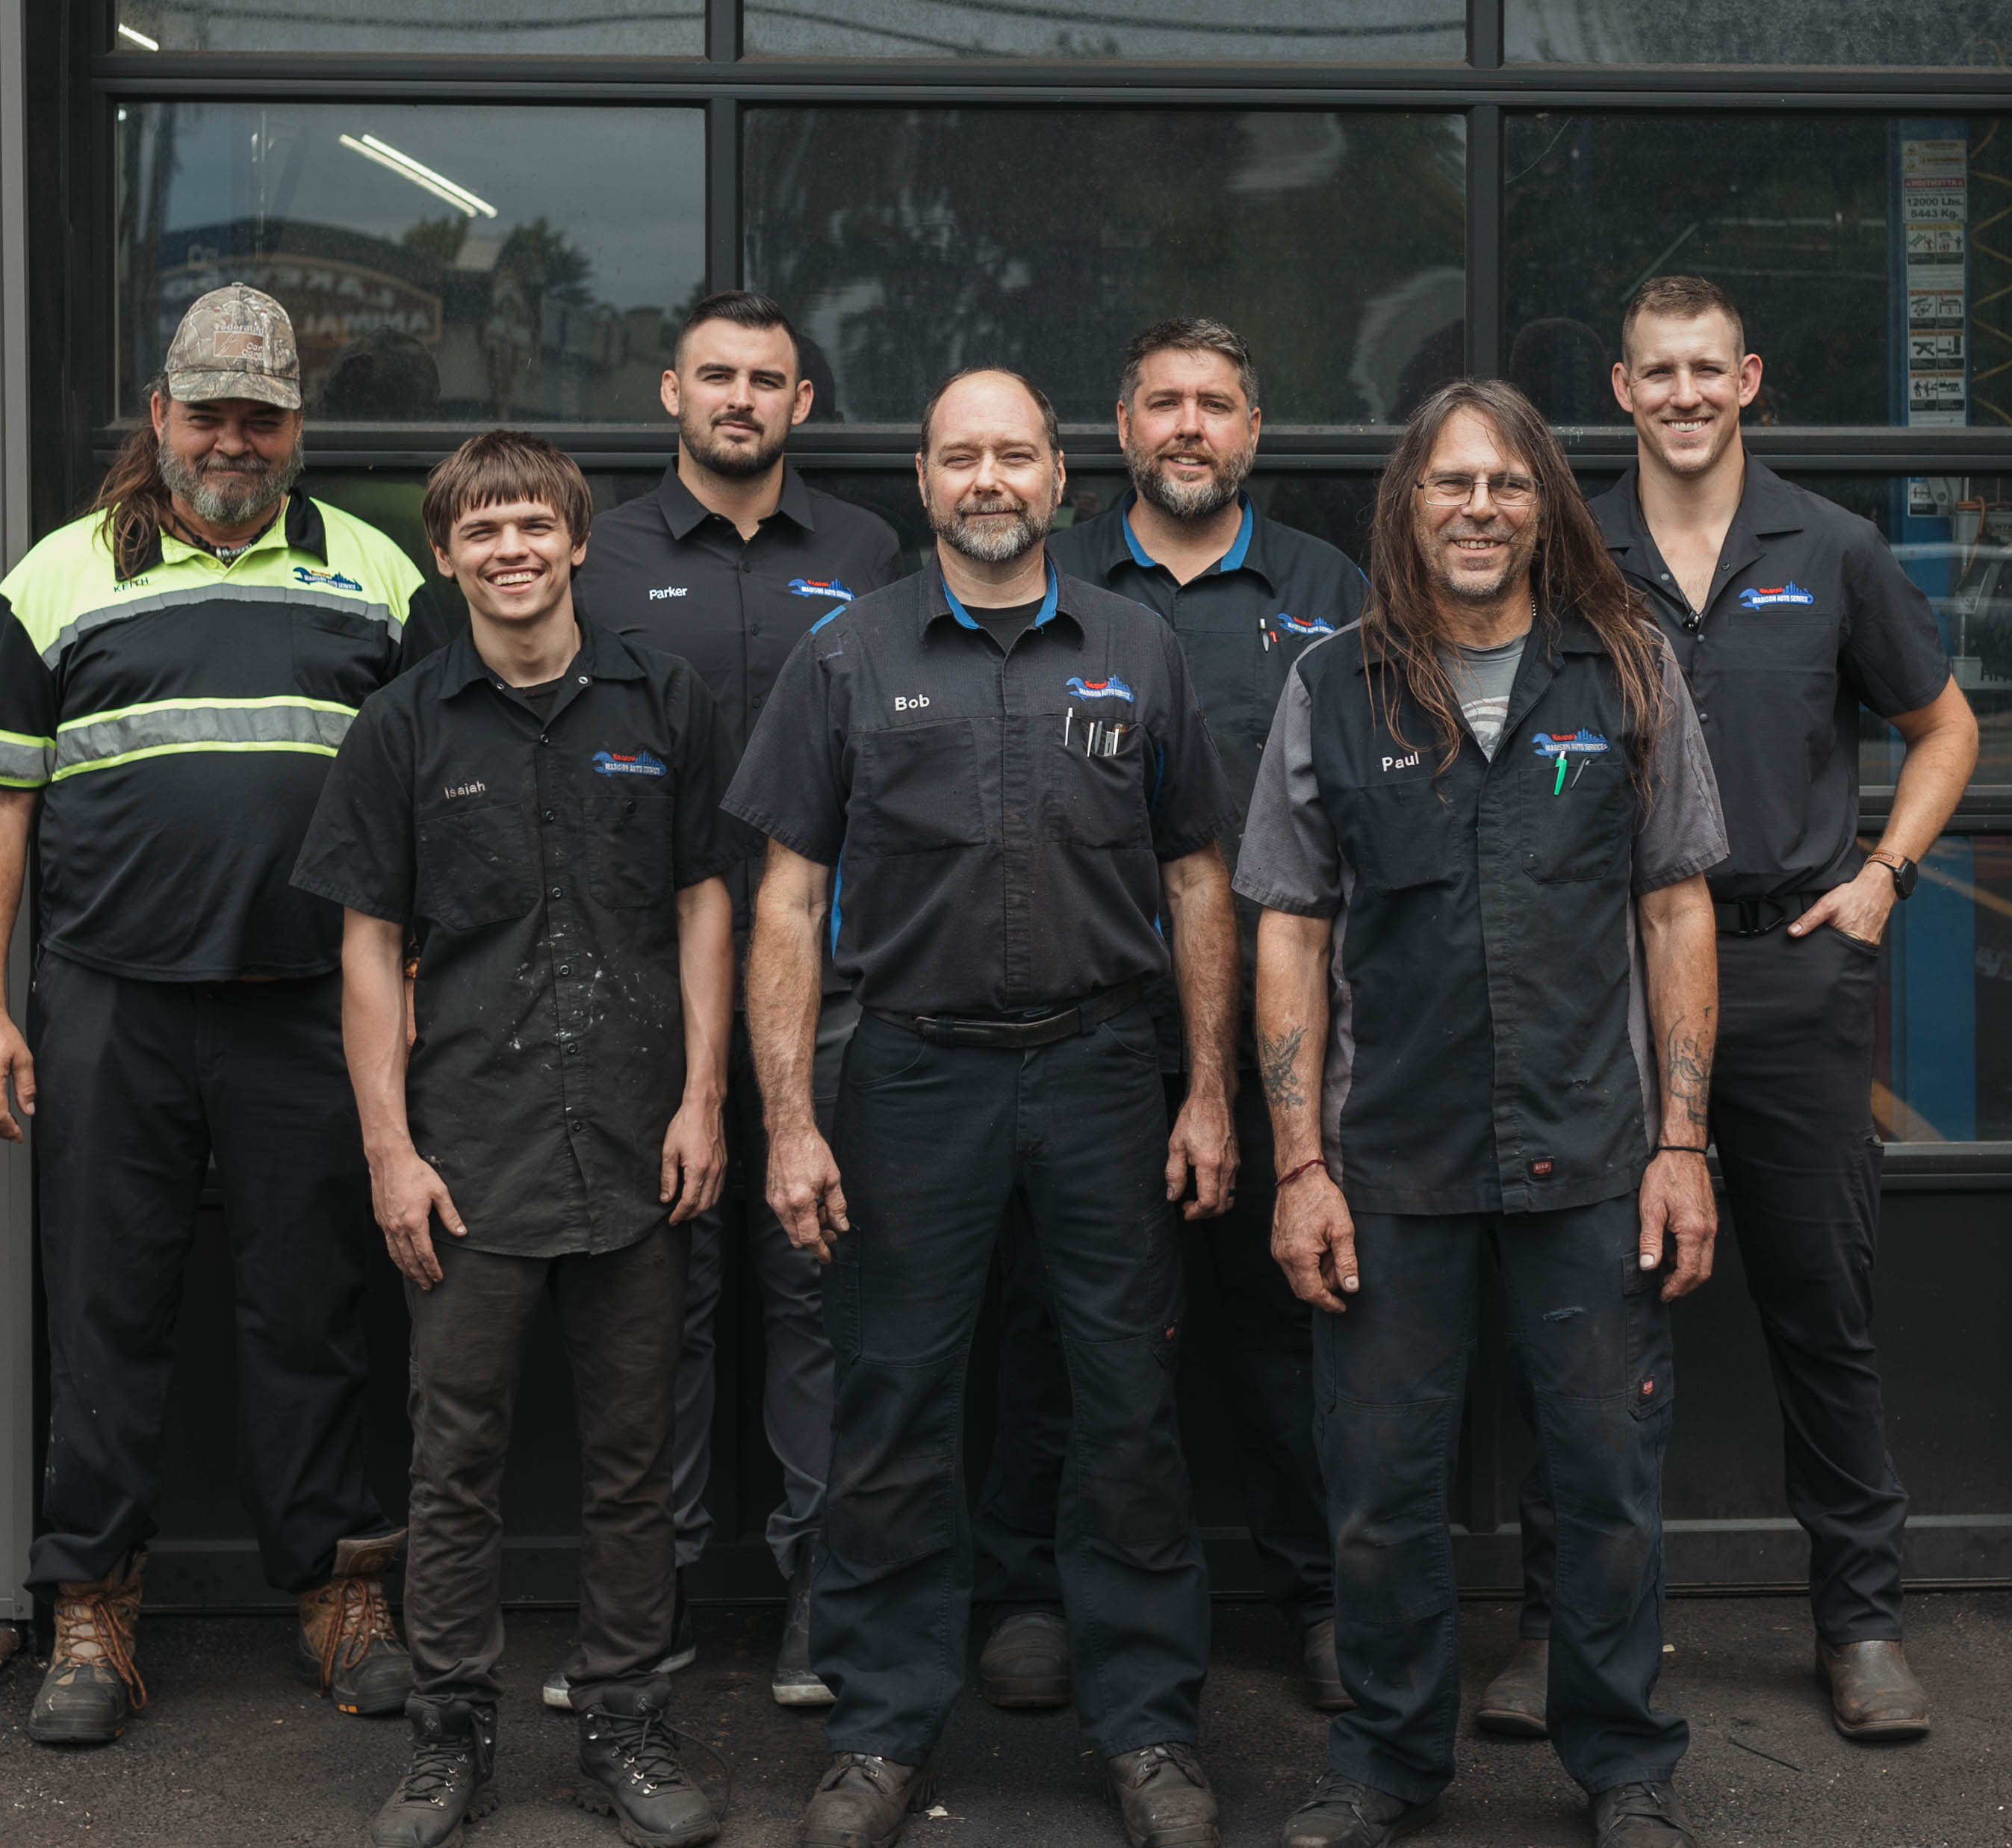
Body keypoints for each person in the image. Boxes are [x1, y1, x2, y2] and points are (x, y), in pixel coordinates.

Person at [724, 368, 1241, 1848]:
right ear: (923, 477)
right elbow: (786, 900)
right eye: (961, 456)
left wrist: (1209, 1089)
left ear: (1060, 474)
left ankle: (1148, 1725)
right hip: (913, 1073)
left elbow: (1199, 877)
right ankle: (880, 1729)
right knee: (892, 1406)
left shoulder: (1137, 647)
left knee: (1125, 1400)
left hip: (1101, 1069)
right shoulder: (845, 654)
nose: (989, 479)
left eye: (1015, 453)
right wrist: (791, 1119)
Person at [0, 284, 426, 1745]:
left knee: (315, 1305)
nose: (231, 439)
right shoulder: (60, 574)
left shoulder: (380, 577)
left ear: (297, 427)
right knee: (105, 1307)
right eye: (206, 412)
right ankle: (92, 1607)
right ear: (158, 415)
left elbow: (436, 806)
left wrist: (421, 999)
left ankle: (338, 1591)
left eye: (259, 416)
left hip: (310, 1009)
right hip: (110, 1003)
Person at [1241, 379, 1727, 1848]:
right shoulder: (1332, 684)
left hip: (1594, 1150)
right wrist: (1299, 1165)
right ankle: (1386, 1761)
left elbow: (1676, 907)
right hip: (1388, 1160)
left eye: (1507, 484)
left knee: (1608, 1480)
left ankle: (1624, 1763)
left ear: (1544, 507)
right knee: (1379, 1488)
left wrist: (1682, 1144)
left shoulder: (1628, 670)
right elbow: (1288, 927)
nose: (1478, 507)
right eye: (1450, 482)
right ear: (1407, 506)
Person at [402, 291, 902, 1713]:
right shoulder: (597, 550)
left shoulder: (867, 553)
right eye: (715, 376)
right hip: (631, 993)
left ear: (802, 404)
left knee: (820, 1291)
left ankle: (821, 1600)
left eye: (767, 380)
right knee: (657, 1305)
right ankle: (653, 1597)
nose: (740, 398)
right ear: (670, 394)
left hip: (828, 982)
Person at [1509, 274, 1975, 1748]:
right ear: (1623, 391)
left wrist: (1885, 878)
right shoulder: (1566, 552)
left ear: (1749, 378)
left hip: (1787, 970)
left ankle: (1861, 1622)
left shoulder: (1830, 550)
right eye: (1658, 372)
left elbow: (1944, 726)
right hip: (1606, 981)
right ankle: (1561, 1626)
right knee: (1583, 1316)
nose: (1685, 394)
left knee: (1819, 1306)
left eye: (1707, 369)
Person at [295, 432, 735, 1848]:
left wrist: (705, 1100)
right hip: (468, 1155)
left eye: (534, 524)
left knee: (633, 1463)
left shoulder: (664, 701)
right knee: (454, 1466)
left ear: (577, 541)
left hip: (637, 1143)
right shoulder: (402, 728)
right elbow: (370, 949)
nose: (511, 550)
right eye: (482, 530)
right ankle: (448, 1743)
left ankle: (627, 1725)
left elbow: (706, 904)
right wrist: (390, 1151)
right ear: (445, 556)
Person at [972, 318, 1370, 1716]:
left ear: (1254, 432)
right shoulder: (1055, 571)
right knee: (1055, 1323)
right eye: (1163, 404)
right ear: (1121, 429)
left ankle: (1325, 1597)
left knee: (1294, 1323)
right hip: (1082, 1025)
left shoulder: (1329, 588)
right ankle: (1032, 1592)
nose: (1188, 426)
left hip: (1284, 1033)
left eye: (1215, 405)